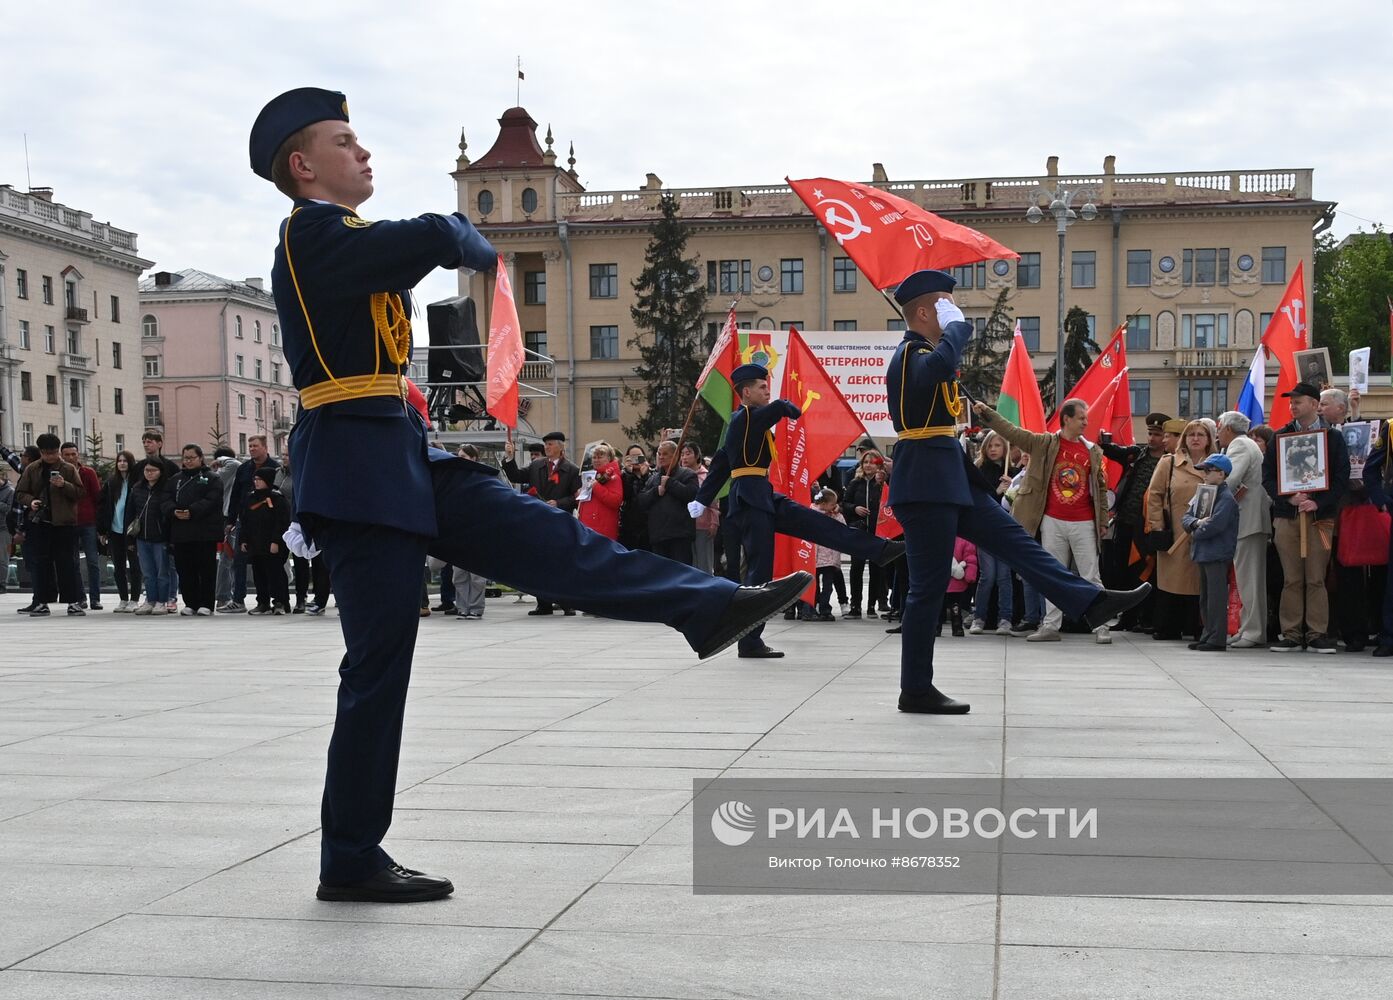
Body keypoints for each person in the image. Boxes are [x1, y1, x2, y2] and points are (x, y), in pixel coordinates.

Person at [248, 87, 809, 904]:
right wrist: (467, 238)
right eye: (344, 141)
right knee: (378, 665)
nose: (362, 151)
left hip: (399, 452)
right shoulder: (310, 234)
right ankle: (350, 857)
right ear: (302, 166)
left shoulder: (345, 240)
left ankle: (709, 606)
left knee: (550, 539)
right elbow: (433, 235)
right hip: (355, 470)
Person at [890, 269, 1147, 714]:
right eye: (947, 306)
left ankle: (1090, 601)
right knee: (927, 590)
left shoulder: (927, 352)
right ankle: (915, 689)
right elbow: (936, 370)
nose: (955, 313)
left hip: (952, 478)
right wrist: (958, 330)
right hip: (926, 484)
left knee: (1016, 542)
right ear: (926, 312)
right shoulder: (911, 352)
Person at [691, 362, 905, 658]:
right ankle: (749, 641)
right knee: (759, 571)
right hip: (750, 501)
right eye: (762, 387)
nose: (767, 391)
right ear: (746, 392)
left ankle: (879, 550)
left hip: (764, 495)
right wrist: (785, 407)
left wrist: (702, 498)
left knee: (821, 525)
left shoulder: (749, 422)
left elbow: (720, 464)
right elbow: (773, 414)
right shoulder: (743, 418)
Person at [974, 398, 1111, 644]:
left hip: (1084, 522)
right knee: (1052, 575)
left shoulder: (1092, 450)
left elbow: (1100, 488)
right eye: (1081, 418)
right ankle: (1050, 626)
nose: (1086, 423)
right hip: (1052, 521)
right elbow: (1011, 431)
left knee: (1091, 575)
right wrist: (987, 413)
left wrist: (1102, 520)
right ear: (1067, 419)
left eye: (1086, 418)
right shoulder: (1043, 443)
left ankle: (1101, 625)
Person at [1262, 381, 1350, 652]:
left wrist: (1317, 502)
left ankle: (1316, 634)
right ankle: (1290, 633)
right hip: (1287, 516)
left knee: (1316, 577)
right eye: (1291, 402)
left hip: (1320, 518)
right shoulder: (1280, 436)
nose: (1292, 406)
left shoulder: (1332, 437)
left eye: (1298, 401)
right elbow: (1267, 477)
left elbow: (1341, 478)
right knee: (1291, 578)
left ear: (1314, 404)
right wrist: (1288, 498)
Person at [1099, 412, 1171, 632]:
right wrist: (1103, 439)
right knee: (1123, 570)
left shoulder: (1169, 460)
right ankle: (1126, 618)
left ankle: (1145, 618)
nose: (1152, 438)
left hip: (1150, 525)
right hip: (1126, 522)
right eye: (1150, 434)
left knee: (1146, 571)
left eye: (1157, 434)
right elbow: (1112, 451)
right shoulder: (1137, 455)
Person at [1145, 419, 1215, 641]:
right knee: (1172, 581)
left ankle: (1196, 626)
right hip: (1174, 531)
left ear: (1208, 440)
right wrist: (1157, 524)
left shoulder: (1216, 464)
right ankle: (1168, 626)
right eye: (1191, 434)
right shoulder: (1169, 462)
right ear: (1184, 438)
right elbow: (1154, 495)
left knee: (1198, 581)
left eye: (1201, 435)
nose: (1195, 439)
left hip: (1204, 533)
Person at [502, 430, 581, 616]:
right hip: (538, 519)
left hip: (560, 521)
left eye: (550, 444)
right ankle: (543, 603)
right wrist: (510, 457)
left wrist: (559, 503)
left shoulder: (572, 469)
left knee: (560, 563)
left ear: (561, 447)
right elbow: (516, 476)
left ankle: (566, 603)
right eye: (546, 444)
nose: (547, 447)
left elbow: (577, 497)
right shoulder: (536, 465)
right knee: (539, 562)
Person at [1215, 411, 1271, 648]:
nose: (1217, 433)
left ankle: (1253, 631)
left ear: (1227, 428)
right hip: (1250, 519)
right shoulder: (1247, 444)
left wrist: (1208, 496)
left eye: (1219, 428)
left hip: (1248, 519)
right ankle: (1248, 627)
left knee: (1250, 579)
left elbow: (1229, 479)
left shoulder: (1239, 445)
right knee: (1248, 577)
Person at [14, 433, 85, 617]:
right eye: (46, 453)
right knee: (40, 564)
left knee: (67, 563)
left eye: (53, 452)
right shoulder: (32, 469)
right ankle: (41, 602)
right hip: (39, 523)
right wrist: (31, 501)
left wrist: (64, 485)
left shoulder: (68, 468)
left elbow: (80, 493)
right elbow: (20, 493)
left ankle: (73, 602)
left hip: (64, 523)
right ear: (41, 452)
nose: (50, 457)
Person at [1181, 454, 1241, 652]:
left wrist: (1195, 532)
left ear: (1222, 474)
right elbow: (1186, 517)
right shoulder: (1203, 493)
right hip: (1204, 552)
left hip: (1217, 553)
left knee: (1216, 597)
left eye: (1208, 471)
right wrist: (1197, 523)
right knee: (1206, 597)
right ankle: (1208, 634)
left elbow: (1215, 525)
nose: (1204, 475)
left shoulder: (1226, 498)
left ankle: (1217, 638)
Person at [966, 432, 1016, 635]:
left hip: (1005, 532)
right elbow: (978, 502)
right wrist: (997, 492)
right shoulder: (979, 471)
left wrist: (1011, 489)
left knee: (1004, 577)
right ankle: (979, 617)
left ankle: (1005, 618)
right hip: (985, 529)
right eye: (990, 445)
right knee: (988, 576)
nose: (994, 449)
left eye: (998, 445)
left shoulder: (1012, 473)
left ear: (1005, 448)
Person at [224, 434, 280, 613]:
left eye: (255, 446)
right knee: (239, 560)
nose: (252, 449)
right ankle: (238, 599)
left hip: (267, 522)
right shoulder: (244, 469)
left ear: (265, 447)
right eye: (250, 446)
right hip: (245, 521)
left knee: (267, 562)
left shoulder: (275, 468)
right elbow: (235, 495)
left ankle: (275, 600)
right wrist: (231, 519)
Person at [170, 444, 225, 616]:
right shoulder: (176, 479)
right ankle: (190, 603)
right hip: (181, 532)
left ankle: (206, 603)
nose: (188, 461)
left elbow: (212, 500)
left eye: (192, 458)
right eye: (185, 458)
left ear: (200, 458)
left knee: (206, 569)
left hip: (204, 532)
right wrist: (173, 511)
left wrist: (192, 511)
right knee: (185, 569)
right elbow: (165, 498)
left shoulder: (212, 478)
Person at [843, 449, 891, 620]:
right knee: (856, 568)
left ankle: (872, 606)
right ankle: (855, 606)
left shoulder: (883, 483)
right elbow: (844, 503)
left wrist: (885, 481)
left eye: (872, 462)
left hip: (878, 531)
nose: (868, 465)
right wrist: (854, 508)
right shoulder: (855, 483)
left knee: (877, 569)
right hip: (859, 531)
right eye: (865, 462)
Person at [239, 466, 292, 615]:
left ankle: (281, 602)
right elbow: (245, 520)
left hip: (272, 544)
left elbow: (281, 522)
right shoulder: (250, 498)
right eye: (255, 479)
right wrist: (243, 540)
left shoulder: (277, 499)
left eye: (260, 479)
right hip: (255, 543)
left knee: (275, 573)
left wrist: (276, 541)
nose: (256, 482)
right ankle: (263, 602)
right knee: (259, 573)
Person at [60, 442, 104, 610]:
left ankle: (95, 598)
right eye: (67, 454)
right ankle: (80, 597)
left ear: (78, 454)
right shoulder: (59, 474)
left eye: (73, 454)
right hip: (68, 522)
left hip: (88, 522)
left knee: (93, 561)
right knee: (73, 563)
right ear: (61, 456)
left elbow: (97, 497)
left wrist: (99, 523)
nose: (71, 457)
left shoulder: (88, 472)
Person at [640, 440, 698, 565]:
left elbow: (691, 495)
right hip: (658, 535)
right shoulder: (653, 478)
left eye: (665, 454)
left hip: (680, 535)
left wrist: (671, 483)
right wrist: (656, 491)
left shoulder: (688, 474)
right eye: (659, 454)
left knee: (681, 572)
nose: (661, 457)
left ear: (675, 455)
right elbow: (642, 501)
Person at [129, 460, 174, 616]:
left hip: (160, 537)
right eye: (147, 470)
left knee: (162, 572)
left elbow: (169, 515)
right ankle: (150, 600)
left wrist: (170, 537)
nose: (149, 473)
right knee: (148, 572)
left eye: (153, 470)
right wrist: (130, 537)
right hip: (142, 536)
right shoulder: (137, 488)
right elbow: (130, 512)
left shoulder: (166, 489)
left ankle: (162, 601)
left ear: (160, 472)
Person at [98, 451, 142, 612]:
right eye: (119, 461)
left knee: (135, 565)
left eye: (125, 461)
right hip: (114, 530)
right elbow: (102, 506)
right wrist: (102, 530)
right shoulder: (111, 483)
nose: (122, 463)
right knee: (118, 566)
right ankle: (123, 598)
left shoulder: (137, 482)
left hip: (131, 531)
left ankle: (134, 599)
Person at [812, 487, 850, 620]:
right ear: (823, 504)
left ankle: (824, 608)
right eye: (832, 504)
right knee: (816, 586)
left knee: (828, 586)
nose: (835, 506)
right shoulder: (812, 513)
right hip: (816, 556)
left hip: (830, 558)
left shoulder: (836, 515)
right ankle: (817, 606)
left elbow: (844, 530)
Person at [681, 442, 718, 573]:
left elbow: (714, 501)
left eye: (688, 453)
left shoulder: (706, 476)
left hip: (703, 525)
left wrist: (714, 521)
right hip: (684, 526)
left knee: (704, 563)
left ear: (697, 456)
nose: (684, 457)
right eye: (682, 454)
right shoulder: (680, 476)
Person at [577, 442, 623, 542]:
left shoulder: (613, 477)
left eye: (600, 457)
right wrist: (580, 495)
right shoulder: (592, 475)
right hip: (588, 528)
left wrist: (596, 487)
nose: (596, 460)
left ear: (609, 458)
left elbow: (615, 501)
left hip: (602, 529)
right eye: (594, 457)